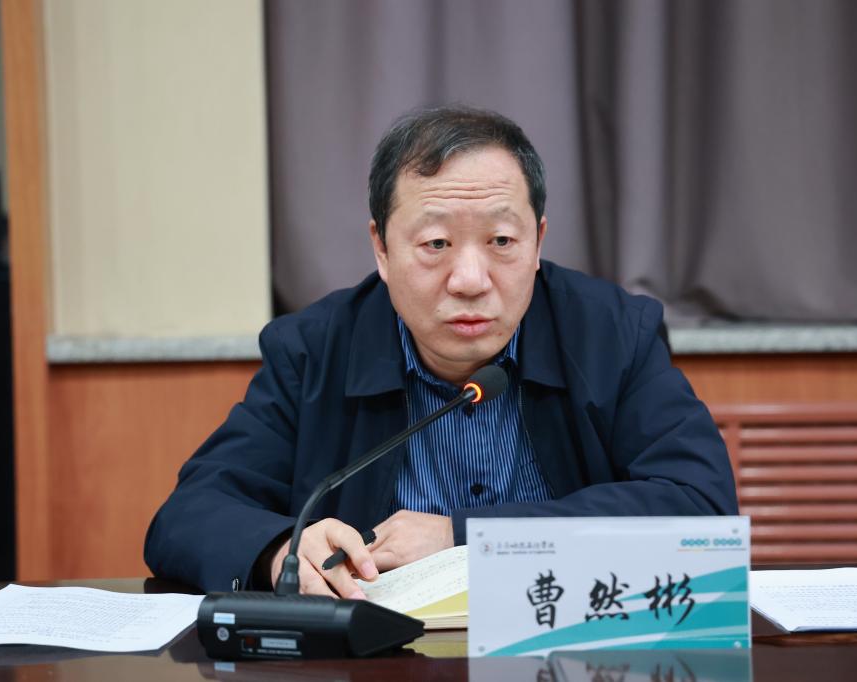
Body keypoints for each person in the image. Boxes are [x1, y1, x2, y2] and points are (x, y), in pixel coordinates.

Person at [144, 106, 738, 596]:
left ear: (538, 242)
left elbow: (700, 508)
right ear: (381, 248)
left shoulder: (611, 333)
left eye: (501, 240)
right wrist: (281, 552)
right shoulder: (314, 350)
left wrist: (465, 537)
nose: (470, 280)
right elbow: (189, 515)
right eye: (435, 243)